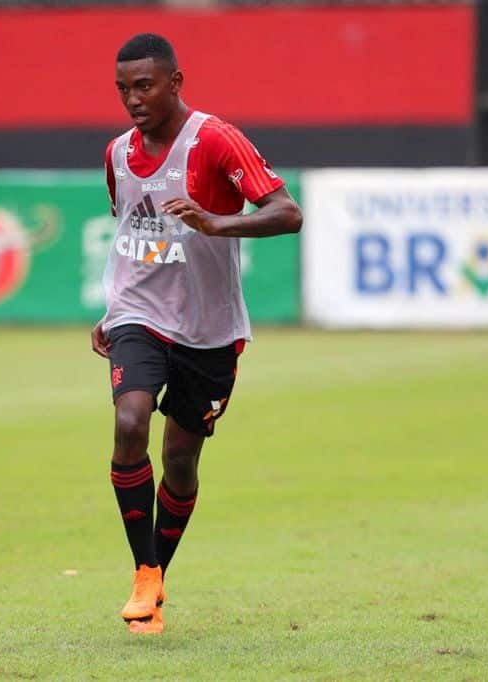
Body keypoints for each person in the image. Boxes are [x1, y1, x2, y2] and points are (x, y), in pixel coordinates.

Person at [92, 33, 302, 635]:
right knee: (130, 421)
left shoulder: (213, 140)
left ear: (176, 82)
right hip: (138, 314)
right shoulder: (116, 155)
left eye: (144, 86)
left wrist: (217, 222)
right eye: (123, 89)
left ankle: (157, 578)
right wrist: (113, 309)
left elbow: (288, 212)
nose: (132, 99)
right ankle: (142, 571)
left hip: (208, 332)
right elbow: (135, 236)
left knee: (179, 461)